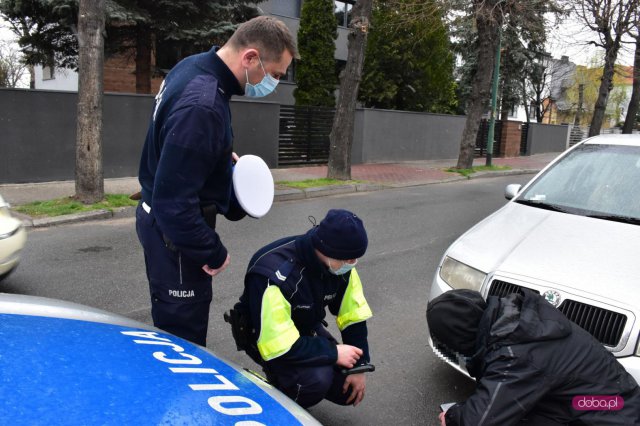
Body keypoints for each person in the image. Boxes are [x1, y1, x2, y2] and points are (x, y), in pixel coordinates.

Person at [135, 16, 298, 347]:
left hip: (160, 221)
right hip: (175, 237)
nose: (275, 84)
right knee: (183, 339)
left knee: (175, 326)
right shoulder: (204, 105)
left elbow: (177, 141)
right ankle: (176, 398)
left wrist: (219, 154)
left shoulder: (193, 67)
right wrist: (212, 251)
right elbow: (174, 204)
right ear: (250, 57)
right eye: (275, 74)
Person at [227, 209, 374, 409]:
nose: (352, 264)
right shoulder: (274, 275)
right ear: (328, 249)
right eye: (349, 259)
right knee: (315, 381)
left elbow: (353, 317)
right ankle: (273, 398)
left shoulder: (340, 264)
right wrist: (333, 352)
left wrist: (359, 366)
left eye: (355, 259)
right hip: (266, 338)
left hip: (304, 328)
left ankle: (294, 379)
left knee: (347, 388)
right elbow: (278, 346)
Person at [427, 289, 640, 426]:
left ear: (459, 338)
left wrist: (453, 418)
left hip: (612, 415)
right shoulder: (515, 324)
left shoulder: (516, 354)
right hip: (606, 402)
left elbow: (482, 420)